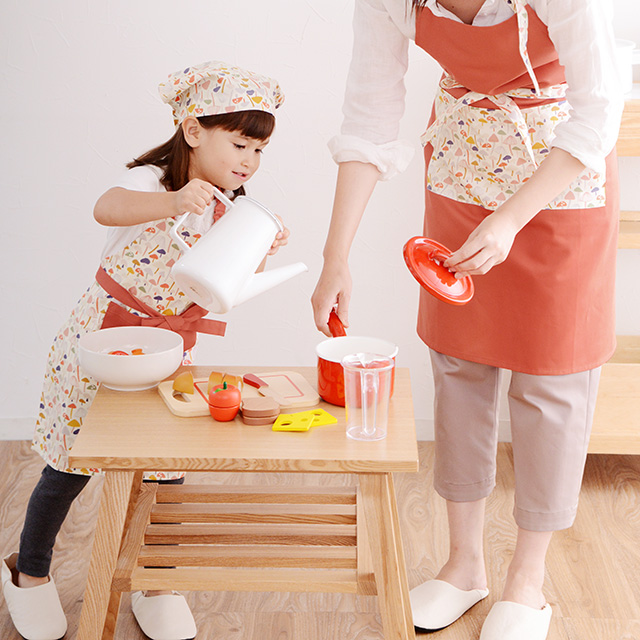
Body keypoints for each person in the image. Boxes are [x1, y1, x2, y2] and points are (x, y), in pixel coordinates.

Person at [311, 1, 623, 639]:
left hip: (562, 177)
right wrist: (335, 254)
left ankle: (527, 586)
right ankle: (462, 567)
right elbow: (369, 118)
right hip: (464, 164)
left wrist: (511, 218)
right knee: (460, 364)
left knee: (552, 378)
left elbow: (599, 110)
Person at [1, 60, 288, 640]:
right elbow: (106, 207)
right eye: (239, 144)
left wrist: (262, 248)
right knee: (69, 465)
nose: (249, 162)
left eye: (258, 151)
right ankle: (28, 572)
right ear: (192, 131)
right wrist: (175, 201)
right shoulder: (151, 183)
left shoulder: (230, 207)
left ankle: (157, 580)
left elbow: (221, 284)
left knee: (164, 473)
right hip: (101, 341)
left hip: (169, 349)